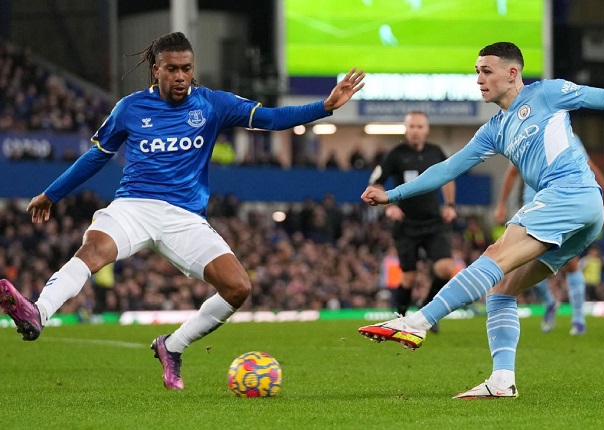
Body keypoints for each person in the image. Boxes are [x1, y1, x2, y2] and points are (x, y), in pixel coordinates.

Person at [0, 31, 365, 390]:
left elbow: (271, 118)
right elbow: (97, 155)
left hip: (184, 218)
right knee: (93, 251)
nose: (180, 76)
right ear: (156, 70)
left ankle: (173, 346)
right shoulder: (129, 108)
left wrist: (325, 107)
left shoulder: (212, 104)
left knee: (238, 287)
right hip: (134, 206)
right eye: (172, 69)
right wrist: (52, 193)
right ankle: (38, 311)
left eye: (186, 69)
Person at [357, 41, 604, 399]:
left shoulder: (547, 93)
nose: (479, 80)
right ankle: (502, 381)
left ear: (512, 73)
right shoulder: (494, 130)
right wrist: (393, 195)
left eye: (486, 71)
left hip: (571, 193)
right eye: (477, 72)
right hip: (579, 211)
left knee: (494, 255)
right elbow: (447, 169)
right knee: (502, 290)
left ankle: (418, 321)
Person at [493, 150, 604, 335]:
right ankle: (549, 301)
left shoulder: (566, 138)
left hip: (559, 206)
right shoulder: (526, 140)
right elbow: (512, 173)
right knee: (523, 264)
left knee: (571, 263)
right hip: (533, 210)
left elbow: (591, 167)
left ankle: (578, 319)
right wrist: (501, 204)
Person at [367, 111, 458, 332]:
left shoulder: (436, 152)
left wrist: (450, 204)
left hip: (433, 222)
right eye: (412, 126)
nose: (415, 131)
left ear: (426, 130)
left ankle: (426, 310)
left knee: (445, 268)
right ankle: (399, 319)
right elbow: (376, 182)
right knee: (408, 277)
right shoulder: (395, 155)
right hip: (406, 224)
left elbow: (448, 178)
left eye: (420, 126)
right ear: (406, 129)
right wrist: (389, 207)